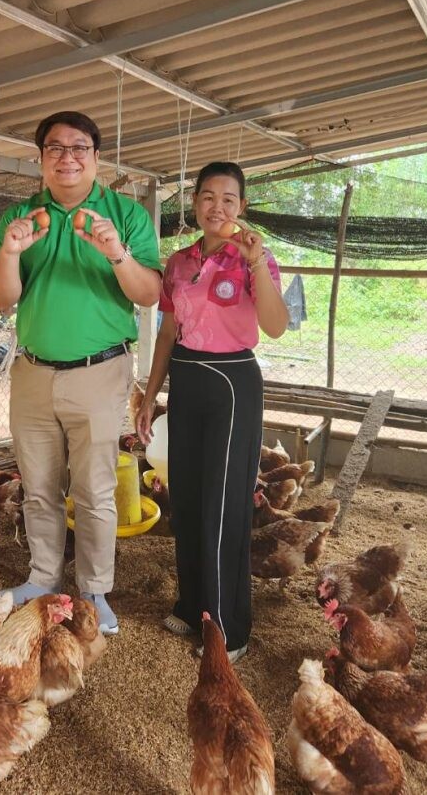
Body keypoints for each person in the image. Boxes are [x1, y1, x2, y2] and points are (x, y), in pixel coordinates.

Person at [0, 111, 162, 634]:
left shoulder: (124, 215)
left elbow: (149, 293)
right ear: (40, 159)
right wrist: (12, 252)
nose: (68, 157)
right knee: (37, 484)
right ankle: (43, 576)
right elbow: (1, 300)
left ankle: (94, 589)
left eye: (79, 148)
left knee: (95, 488)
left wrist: (116, 252)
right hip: (33, 371)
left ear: (97, 158)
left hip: (100, 370)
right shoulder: (20, 216)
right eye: (56, 148)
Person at [135, 161, 289, 662]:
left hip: (232, 382)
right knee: (190, 495)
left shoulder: (254, 259)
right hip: (187, 377)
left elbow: (275, 326)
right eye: (207, 196)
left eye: (228, 198)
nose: (216, 206)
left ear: (241, 207)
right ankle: (193, 602)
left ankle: (228, 626)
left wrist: (258, 263)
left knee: (224, 505)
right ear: (194, 202)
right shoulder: (178, 263)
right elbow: (165, 333)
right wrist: (151, 394)